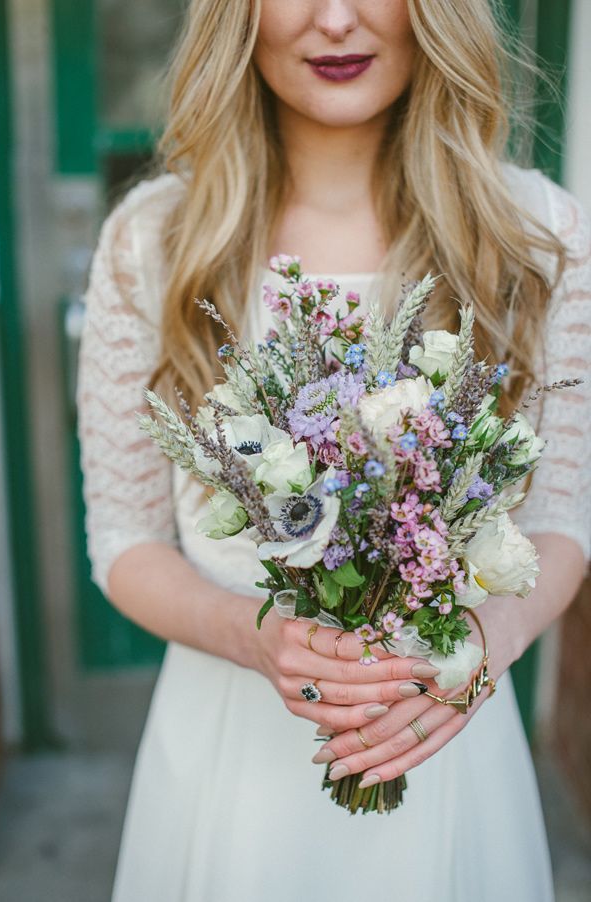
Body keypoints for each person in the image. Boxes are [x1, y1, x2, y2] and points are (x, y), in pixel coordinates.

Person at [77, 2, 591, 900]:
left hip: (449, 747)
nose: (337, 19)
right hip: (227, 759)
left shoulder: (536, 233)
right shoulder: (154, 241)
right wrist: (257, 633)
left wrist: (477, 646)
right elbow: (124, 542)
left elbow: (560, 519)